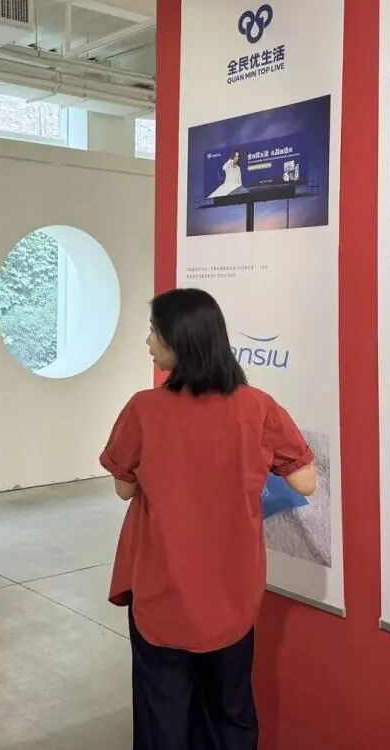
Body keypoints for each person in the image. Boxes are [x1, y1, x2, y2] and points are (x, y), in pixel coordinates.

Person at [99, 288, 316, 750]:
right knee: (230, 712)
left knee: (162, 717)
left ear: (180, 340)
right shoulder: (257, 407)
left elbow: (124, 488)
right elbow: (305, 482)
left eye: (154, 332)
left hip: (162, 591)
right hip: (230, 593)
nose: (148, 342)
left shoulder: (144, 408)